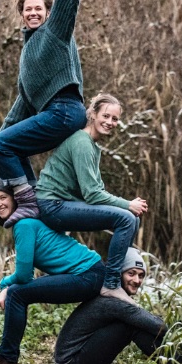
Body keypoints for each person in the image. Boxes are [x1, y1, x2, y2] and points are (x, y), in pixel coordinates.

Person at [0, 0, 92, 228]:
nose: (33, 13)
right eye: (27, 10)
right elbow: (22, 104)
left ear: (47, 12)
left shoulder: (54, 31)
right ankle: (35, 199)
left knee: (2, 146)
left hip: (65, 110)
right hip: (55, 114)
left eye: (38, 9)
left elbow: (67, 4)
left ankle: (29, 203)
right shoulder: (28, 53)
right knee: (7, 146)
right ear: (21, 14)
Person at [0, 178, 106, 364]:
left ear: (16, 199)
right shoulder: (31, 222)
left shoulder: (24, 225)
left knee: (17, 293)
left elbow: (25, 275)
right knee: (17, 291)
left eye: (3, 197)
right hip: (91, 273)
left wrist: (4, 284)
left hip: (87, 274)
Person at [35, 94, 148, 302]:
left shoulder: (93, 146)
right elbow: (92, 194)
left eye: (115, 119)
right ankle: (111, 283)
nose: (110, 122)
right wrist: (127, 204)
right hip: (52, 205)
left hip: (64, 204)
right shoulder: (82, 142)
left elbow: (96, 190)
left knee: (132, 219)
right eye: (106, 116)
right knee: (127, 218)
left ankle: (123, 274)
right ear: (93, 114)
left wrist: (125, 207)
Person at [54, 248, 175, 364]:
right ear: (119, 274)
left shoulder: (112, 297)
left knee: (137, 321)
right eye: (131, 273)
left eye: (141, 275)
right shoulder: (112, 302)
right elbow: (160, 327)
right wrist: (178, 334)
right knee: (132, 325)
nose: (136, 280)